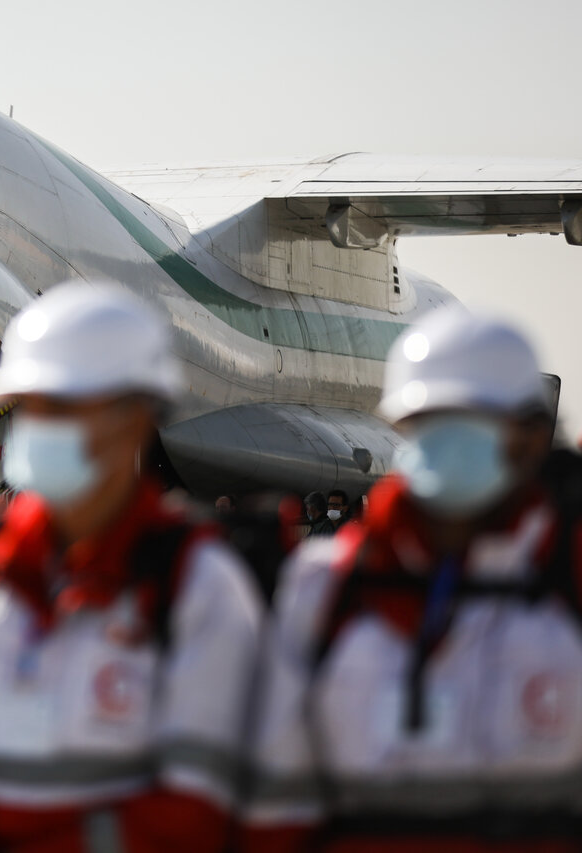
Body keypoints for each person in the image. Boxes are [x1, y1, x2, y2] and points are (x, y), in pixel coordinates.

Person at [0, 283, 262, 852]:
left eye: (63, 407)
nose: (39, 426)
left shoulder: (199, 581)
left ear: (136, 418)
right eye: (31, 407)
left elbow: (201, 798)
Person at [245, 306, 581, 851]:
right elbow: (277, 805)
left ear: (532, 436)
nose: (448, 440)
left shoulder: (568, 579)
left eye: (474, 419)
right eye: (429, 421)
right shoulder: (326, 584)